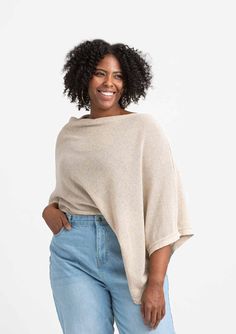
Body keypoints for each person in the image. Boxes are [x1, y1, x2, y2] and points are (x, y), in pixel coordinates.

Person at [42, 39, 194, 334]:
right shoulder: (69, 133)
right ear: (84, 76)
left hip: (130, 253)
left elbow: (163, 209)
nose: (108, 82)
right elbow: (69, 192)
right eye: (100, 73)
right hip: (73, 254)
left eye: (118, 75)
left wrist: (156, 282)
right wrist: (49, 209)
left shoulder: (144, 130)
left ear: (128, 83)